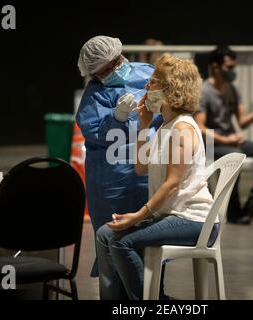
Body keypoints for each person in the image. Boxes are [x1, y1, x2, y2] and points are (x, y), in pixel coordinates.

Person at [95, 53, 218, 300]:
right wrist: (143, 125)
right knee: (104, 234)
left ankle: (150, 302)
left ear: (169, 89)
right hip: (174, 214)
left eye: (153, 82)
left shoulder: (182, 129)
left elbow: (172, 184)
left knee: (121, 241)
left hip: (193, 219)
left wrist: (138, 216)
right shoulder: (165, 126)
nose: (147, 87)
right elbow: (141, 168)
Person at [76, 36, 163, 278]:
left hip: (149, 170)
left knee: (152, 238)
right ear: (95, 73)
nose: (115, 71)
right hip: (113, 180)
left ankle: (154, 292)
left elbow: (173, 105)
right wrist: (117, 118)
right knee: (114, 239)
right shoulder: (95, 94)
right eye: (106, 70)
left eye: (116, 63)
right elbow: (95, 132)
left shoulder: (147, 72)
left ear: (121, 55)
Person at [194, 46, 253, 225]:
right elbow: (200, 127)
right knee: (233, 154)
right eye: (229, 67)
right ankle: (235, 212)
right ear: (215, 66)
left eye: (233, 67)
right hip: (212, 144)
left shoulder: (232, 90)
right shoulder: (204, 91)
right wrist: (226, 139)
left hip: (232, 140)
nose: (232, 72)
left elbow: (242, 121)